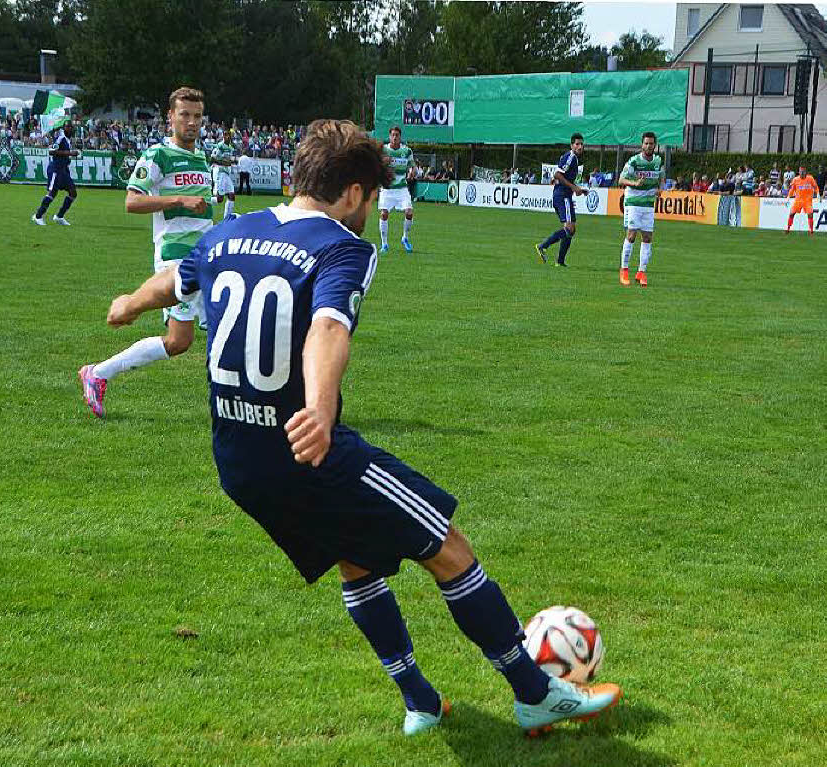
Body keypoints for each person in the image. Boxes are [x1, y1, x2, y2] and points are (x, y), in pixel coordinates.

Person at [103, 118, 623, 737]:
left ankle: (421, 702)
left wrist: (132, 301)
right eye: (370, 197)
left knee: (355, 559)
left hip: (238, 462)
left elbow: (178, 278)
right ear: (352, 192)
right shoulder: (343, 248)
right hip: (307, 448)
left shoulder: (228, 234)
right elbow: (328, 327)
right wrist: (321, 410)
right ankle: (536, 692)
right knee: (448, 546)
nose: (366, 210)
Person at [78, 86, 212, 418]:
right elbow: (132, 201)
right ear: (171, 117)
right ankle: (98, 373)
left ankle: (97, 373)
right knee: (203, 334)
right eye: (185, 115)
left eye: (197, 116)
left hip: (206, 256)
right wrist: (178, 200)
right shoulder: (157, 155)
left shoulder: (201, 155)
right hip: (175, 259)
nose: (192, 122)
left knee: (182, 341)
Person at [618, 131, 665, 287]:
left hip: (648, 204)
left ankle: (641, 272)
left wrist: (660, 188)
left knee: (647, 238)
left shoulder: (658, 161)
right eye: (646, 143)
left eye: (651, 143)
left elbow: (661, 177)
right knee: (631, 236)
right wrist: (634, 183)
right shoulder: (634, 161)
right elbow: (621, 179)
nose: (648, 146)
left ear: (655, 145)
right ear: (642, 144)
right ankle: (624, 271)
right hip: (633, 202)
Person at [535, 132, 586, 267]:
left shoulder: (572, 158)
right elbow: (557, 174)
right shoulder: (571, 157)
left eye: (582, 144)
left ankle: (560, 262)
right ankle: (543, 246)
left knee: (571, 229)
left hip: (563, 195)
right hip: (562, 196)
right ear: (572, 145)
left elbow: (561, 176)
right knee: (569, 228)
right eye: (577, 144)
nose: (580, 146)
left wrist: (577, 188)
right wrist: (574, 188)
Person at [31, 123, 79, 226]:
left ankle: (59, 216)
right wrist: (69, 153)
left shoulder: (67, 139)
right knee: (52, 193)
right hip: (55, 169)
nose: (69, 128)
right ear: (63, 128)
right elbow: (52, 151)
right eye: (67, 126)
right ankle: (38, 216)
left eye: (71, 127)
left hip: (63, 170)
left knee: (73, 192)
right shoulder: (61, 138)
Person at [378, 125, 415, 253]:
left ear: (400, 137)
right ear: (389, 136)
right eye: (392, 135)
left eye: (397, 135)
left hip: (402, 188)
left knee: (409, 212)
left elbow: (412, 166)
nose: (394, 137)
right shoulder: (383, 150)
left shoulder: (407, 151)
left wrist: (411, 172)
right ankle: (384, 244)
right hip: (387, 188)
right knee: (384, 214)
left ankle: (405, 237)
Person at [785, 165, 821, 236]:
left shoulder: (810, 178)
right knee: (791, 214)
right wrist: (788, 197)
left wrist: (818, 194)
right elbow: (792, 190)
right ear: (799, 172)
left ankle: (811, 231)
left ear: (805, 172)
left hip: (807, 200)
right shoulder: (795, 179)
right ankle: (788, 228)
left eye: (803, 172)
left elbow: (815, 187)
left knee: (810, 214)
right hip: (798, 200)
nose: (802, 173)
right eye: (800, 172)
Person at [210, 132, 238, 220]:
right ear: (223, 136)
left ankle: (226, 221)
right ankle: (205, 200)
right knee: (220, 199)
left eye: (229, 135)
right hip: (220, 172)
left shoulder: (230, 147)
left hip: (226, 173)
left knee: (231, 195)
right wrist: (225, 163)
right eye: (226, 135)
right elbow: (213, 159)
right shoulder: (220, 146)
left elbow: (229, 160)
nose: (228, 137)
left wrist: (232, 162)